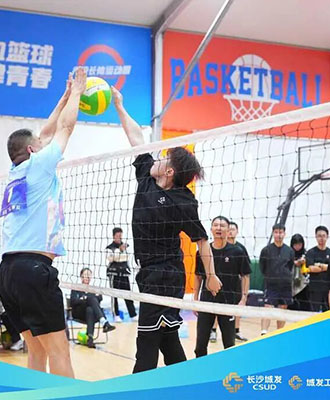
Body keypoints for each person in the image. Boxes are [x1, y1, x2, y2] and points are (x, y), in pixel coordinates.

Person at [112, 87, 222, 373]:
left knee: (146, 344)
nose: (157, 158)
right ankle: (186, 385)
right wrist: (120, 106)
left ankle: (136, 389)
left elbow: (202, 240)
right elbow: (137, 139)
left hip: (166, 274)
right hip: (148, 272)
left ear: (170, 172)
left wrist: (211, 275)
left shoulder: (183, 201)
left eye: (163, 158)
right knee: (168, 339)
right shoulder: (147, 178)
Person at [0, 69, 87, 377]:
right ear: (32, 150)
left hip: (8, 273)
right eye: (38, 143)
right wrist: (78, 93)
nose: (43, 141)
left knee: (36, 350)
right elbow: (64, 128)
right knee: (59, 352)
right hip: (33, 271)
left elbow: (45, 133)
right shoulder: (39, 165)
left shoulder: (16, 172)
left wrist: (63, 98)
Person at [194, 216, 251, 357]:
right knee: (200, 346)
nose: (218, 228)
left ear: (228, 229)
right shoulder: (203, 252)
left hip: (228, 303)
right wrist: (195, 300)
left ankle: (229, 369)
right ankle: (202, 368)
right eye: (216, 225)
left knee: (229, 345)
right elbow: (198, 276)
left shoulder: (237, 252)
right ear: (211, 229)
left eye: (222, 225)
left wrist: (243, 299)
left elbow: (245, 276)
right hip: (206, 302)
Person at [260, 223, 294, 335]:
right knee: (267, 307)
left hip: (285, 285)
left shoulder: (289, 251)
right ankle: (264, 332)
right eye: (276, 232)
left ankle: (280, 333)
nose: (278, 235)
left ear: (284, 234)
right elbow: (262, 267)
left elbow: (290, 266)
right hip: (271, 285)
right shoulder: (266, 250)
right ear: (273, 233)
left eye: (280, 232)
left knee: (282, 309)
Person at [70, 268, 116, 348]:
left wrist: (85, 298)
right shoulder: (76, 288)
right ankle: (104, 322)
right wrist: (85, 299)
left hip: (91, 314)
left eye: (89, 275)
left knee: (90, 310)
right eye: (85, 274)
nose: (87, 277)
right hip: (79, 313)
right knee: (91, 299)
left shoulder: (93, 288)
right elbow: (73, 301)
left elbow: (100, 298)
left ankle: (90, 339)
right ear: (81, 276)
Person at [227, 221, 252, 341]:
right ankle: (214, 331)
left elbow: (246, 272)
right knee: (218, 307)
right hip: (222, 282)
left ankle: (236, 331)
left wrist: (244, 295)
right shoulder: (220, 246)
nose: (231, 232)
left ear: (237, 231)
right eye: (229, 229)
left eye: (233, 229)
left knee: (238, 307)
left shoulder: (241, 249)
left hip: (236, 284)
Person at [106, 227, 137, 322]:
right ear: (113, 236)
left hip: (124, 273)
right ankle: (116, 315)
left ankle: (133, 314)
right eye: (117, 236)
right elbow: (111, 258)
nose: (119, 238)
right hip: (114, 273)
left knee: (128, 295)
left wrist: (119, 255)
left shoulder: (126, 246)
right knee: (114, 295)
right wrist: (119, 251)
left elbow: (126, 257)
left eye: (120, 236)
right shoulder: (109, 248)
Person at [305, 226, 330, 312]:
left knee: (328, 313)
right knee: (313, 313)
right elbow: (311, 268)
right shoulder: (311, 252)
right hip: (314, 288)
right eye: (319, 236)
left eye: (323, 236)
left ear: (327, 237)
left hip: (328, 289)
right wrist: (326, 267)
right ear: (316, 237)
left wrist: (319, 265)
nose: (321, 238)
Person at [289, 233, 311, 311]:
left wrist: (303, 262)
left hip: (303, 284)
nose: (297, 247)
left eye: (299, 244)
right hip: (291, 283)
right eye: (295, 244)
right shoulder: (288, 253)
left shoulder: (305, 254)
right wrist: (294, 263)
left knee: (305, 305)